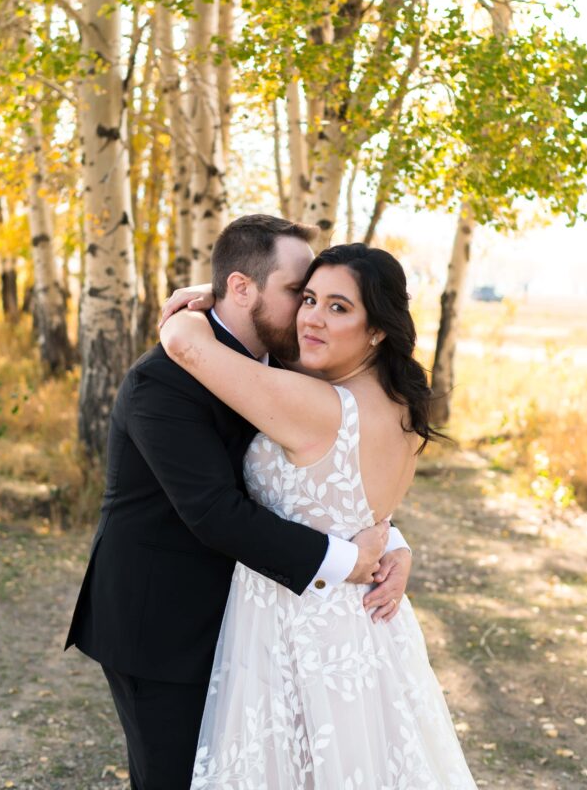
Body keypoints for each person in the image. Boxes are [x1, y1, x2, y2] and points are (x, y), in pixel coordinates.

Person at [65, 216, 412, 790]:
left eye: (319, 299)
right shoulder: (163, 381)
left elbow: (328, 477)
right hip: (162, 626)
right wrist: (349, 562)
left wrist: (390, 541)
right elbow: (214, 512)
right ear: (243, 288)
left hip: (254, 623)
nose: (307, 312)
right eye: (298, 294)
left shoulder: (286, 366)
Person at [160, 241, 478, 789]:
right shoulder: (397, 401)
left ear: (376, 328)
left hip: (296, 628)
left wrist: (208, 301)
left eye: (338, 307)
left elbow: (186, 346)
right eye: (308, 299)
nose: (312, 318)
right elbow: (352, 505)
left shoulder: (317, 406)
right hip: (369, 630)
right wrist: (397, 543)